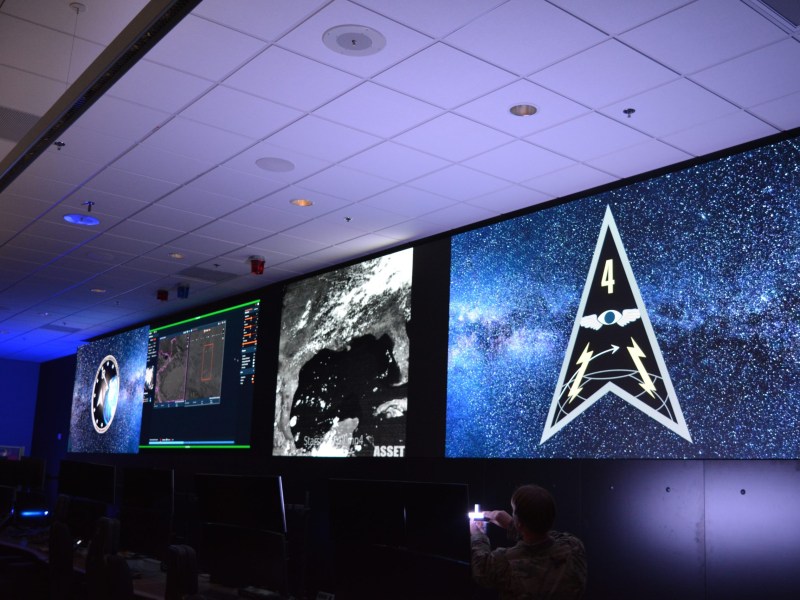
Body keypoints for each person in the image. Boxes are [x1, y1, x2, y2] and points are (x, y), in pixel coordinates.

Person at [470, 484, 587, 599]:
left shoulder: (506, 562)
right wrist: (514, 525)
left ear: (519, 522)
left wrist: (477, 534)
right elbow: (546, 534)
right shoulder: (574, 547)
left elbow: (481, 570)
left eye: (513, 511)